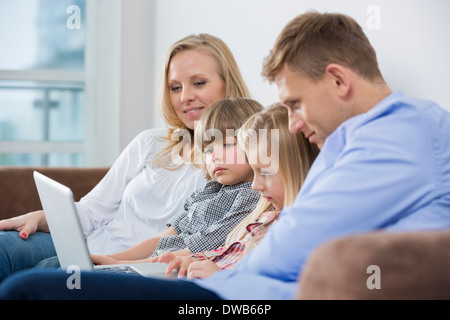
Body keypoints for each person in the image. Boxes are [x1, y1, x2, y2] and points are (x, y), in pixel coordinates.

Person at [1, 11, 450, 300]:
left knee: (30, 289)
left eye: (295, 103)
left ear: (338, 80)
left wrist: (221, 264)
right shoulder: (345, 142)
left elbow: (290, 242)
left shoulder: (401, 133)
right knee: (29, 279)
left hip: (232, 296)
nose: (293, 122)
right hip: (220, 282)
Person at [0, 33, 251, 281]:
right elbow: (93, 211)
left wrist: (118, 261)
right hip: (90, 245)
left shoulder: (237, 163)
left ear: (227, 85)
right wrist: (38, 217)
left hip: (135, 267)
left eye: (199, 83)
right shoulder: (150, 142)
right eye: (175, 87)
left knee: (34, 281)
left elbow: (197, 243)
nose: (185, 97)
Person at [151, 103, 319, 279]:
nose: (255, 185)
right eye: (208, 150)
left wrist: (220, 278)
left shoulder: (294, 228)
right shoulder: (263, 216)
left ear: (296, 168)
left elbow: (264, 283)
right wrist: (194, 260)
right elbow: (228, 252)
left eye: (265, 172)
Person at [90, 98, 262, 266]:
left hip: (176, 268)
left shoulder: (252, 196)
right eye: (208, 150)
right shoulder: (210, 190)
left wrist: (131, 265)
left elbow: (203, 246)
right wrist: (115, 259)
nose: (214, 156)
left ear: (257, 146)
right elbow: (164, 238)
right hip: (154, 264)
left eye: (227, 145)